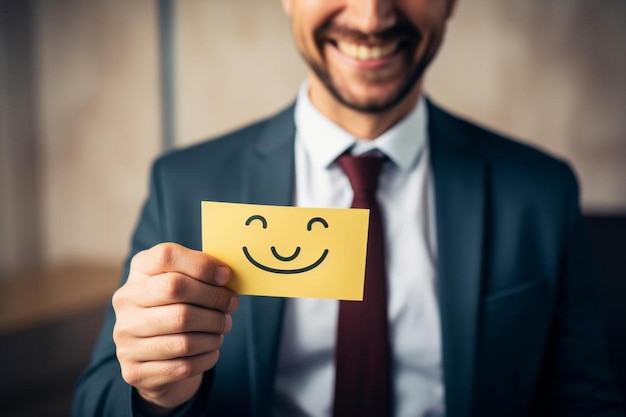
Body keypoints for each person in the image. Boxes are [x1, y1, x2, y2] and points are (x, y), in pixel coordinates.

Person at [73, 0, 625, 416]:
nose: (371, 16)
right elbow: (96, 401)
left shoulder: (540, 193)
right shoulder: (184, 183)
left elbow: (588, 399)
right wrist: (153, 393)